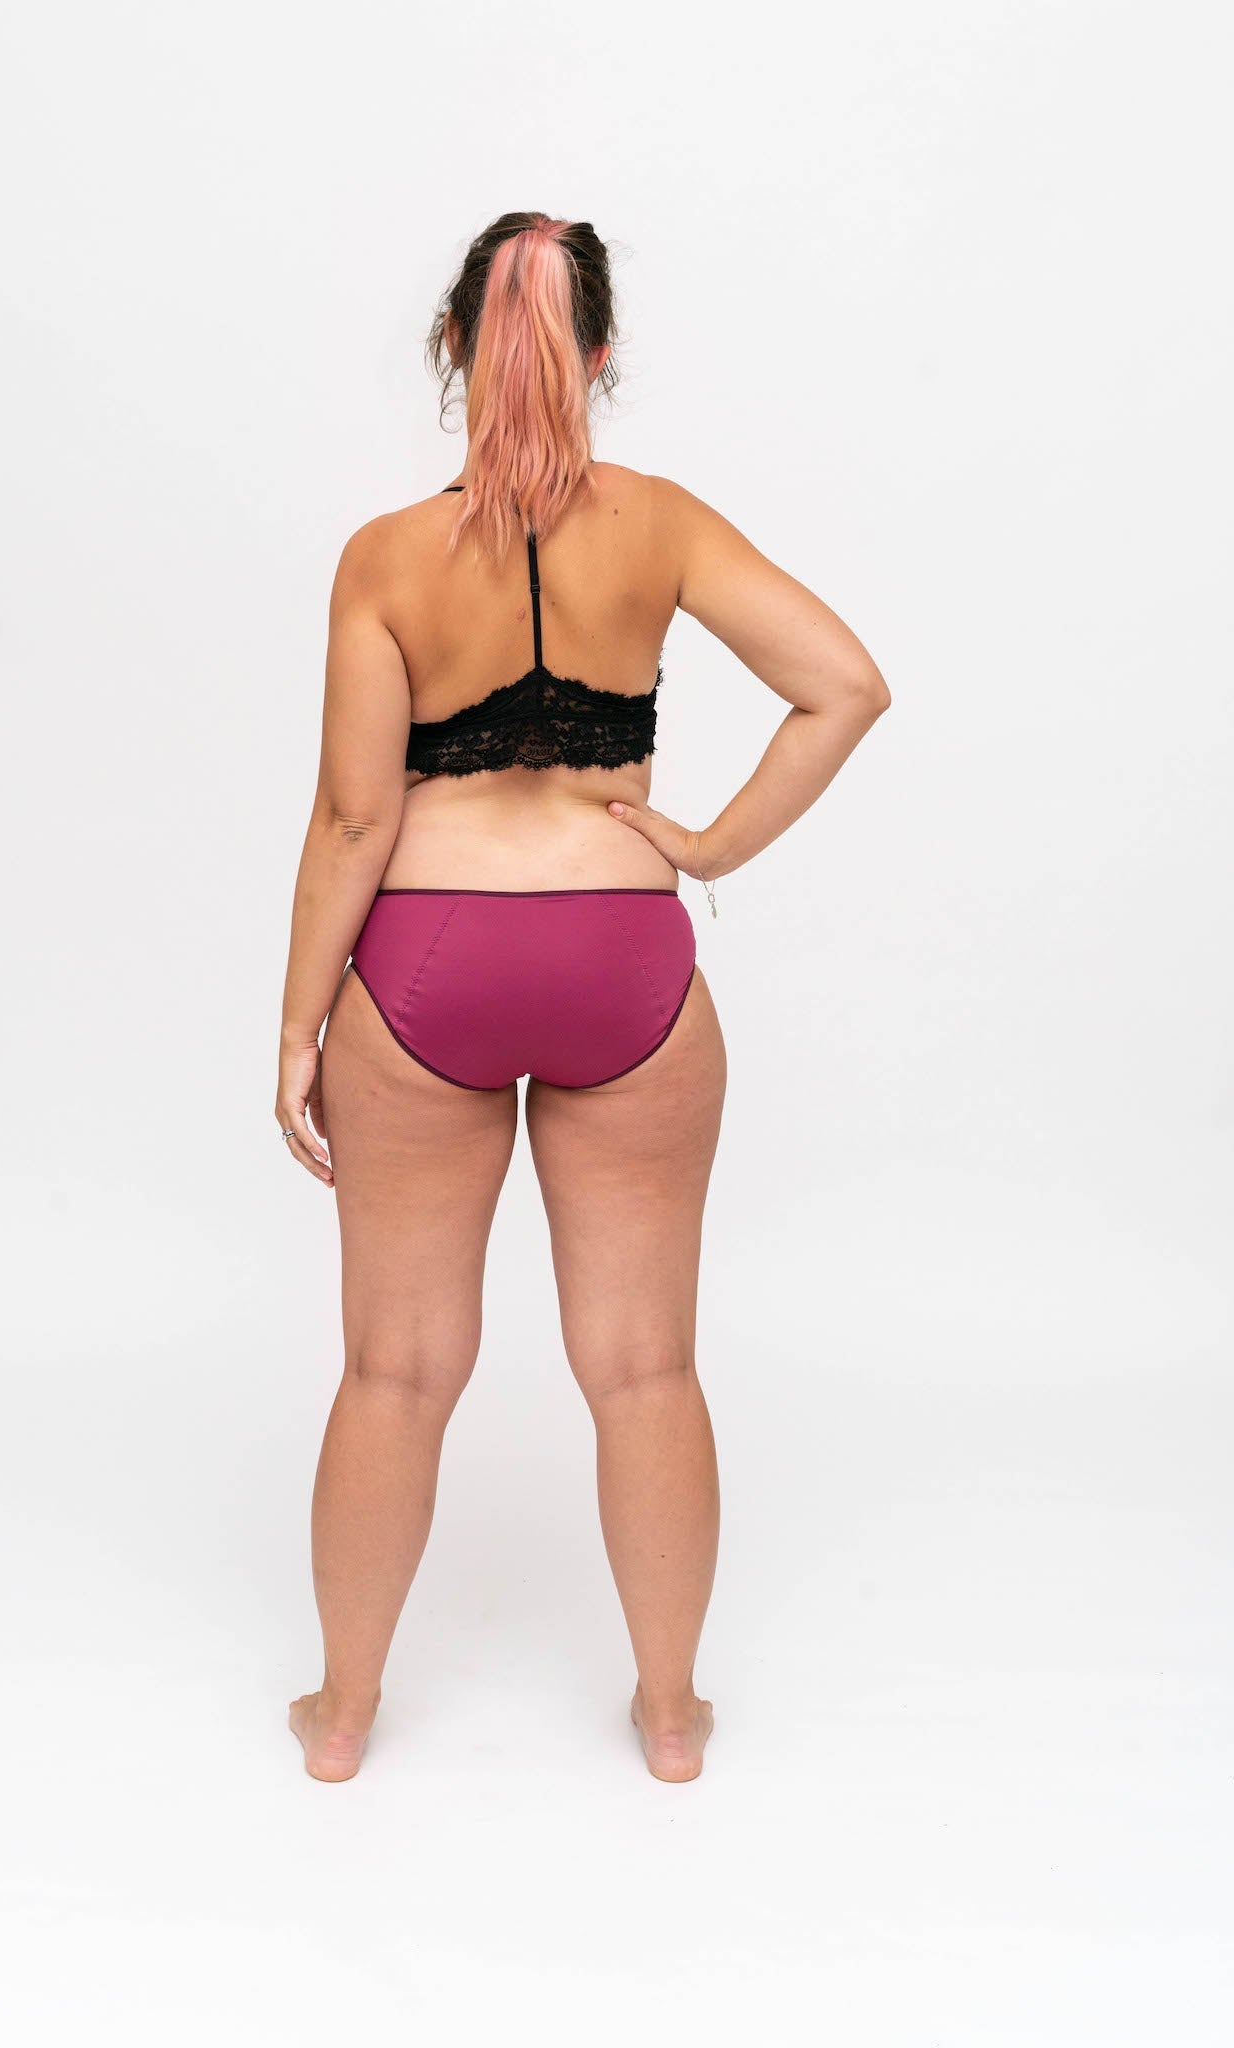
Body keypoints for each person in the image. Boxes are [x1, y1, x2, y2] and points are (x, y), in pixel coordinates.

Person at [276, 211, 890, 1784]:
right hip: (627, 964)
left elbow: (352, 819)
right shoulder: (663, 524)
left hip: (426, 970)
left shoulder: (385, 557)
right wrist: (705, 849)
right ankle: (672, 1719)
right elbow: (845, 684)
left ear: (453, 347)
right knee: (645, 1367)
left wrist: (297, 1026)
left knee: (395, 1369)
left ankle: (342, 1719)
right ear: (600, 354)